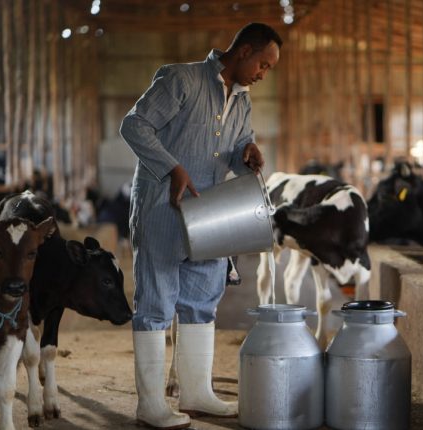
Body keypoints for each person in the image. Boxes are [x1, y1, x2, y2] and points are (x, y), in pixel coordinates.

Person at [119, 23, 282, 429]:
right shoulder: (181, 80)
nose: (263, 74)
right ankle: (150, 405)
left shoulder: (242, 100)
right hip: (163, 208)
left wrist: (246, 153)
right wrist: (172, 167)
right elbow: (134, 126)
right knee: (156, 303)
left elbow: (235, 146)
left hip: (211, 214)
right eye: (263, 64)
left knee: (202, 301)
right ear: (244, 51)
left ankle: (196, 394)